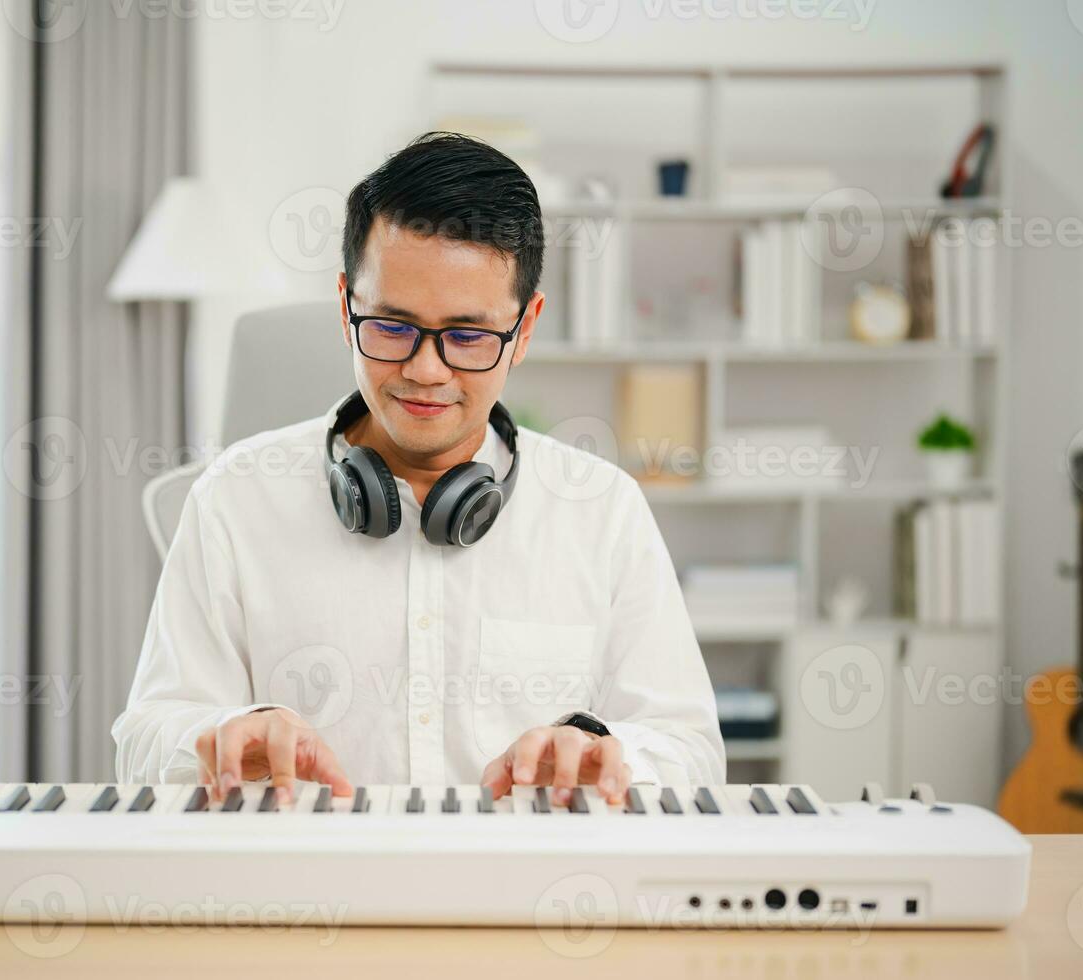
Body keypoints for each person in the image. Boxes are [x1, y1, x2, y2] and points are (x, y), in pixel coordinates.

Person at [113, 132, 723, 807]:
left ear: (525, 329)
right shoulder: (235, 498)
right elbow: (143, 743)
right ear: (346, 307)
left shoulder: (602, 508)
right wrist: (228, 731)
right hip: (307, 896)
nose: (425, 371)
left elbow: (692, 750)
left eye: (467, 336)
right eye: (392, 327)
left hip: (528, 898)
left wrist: (612, 754)